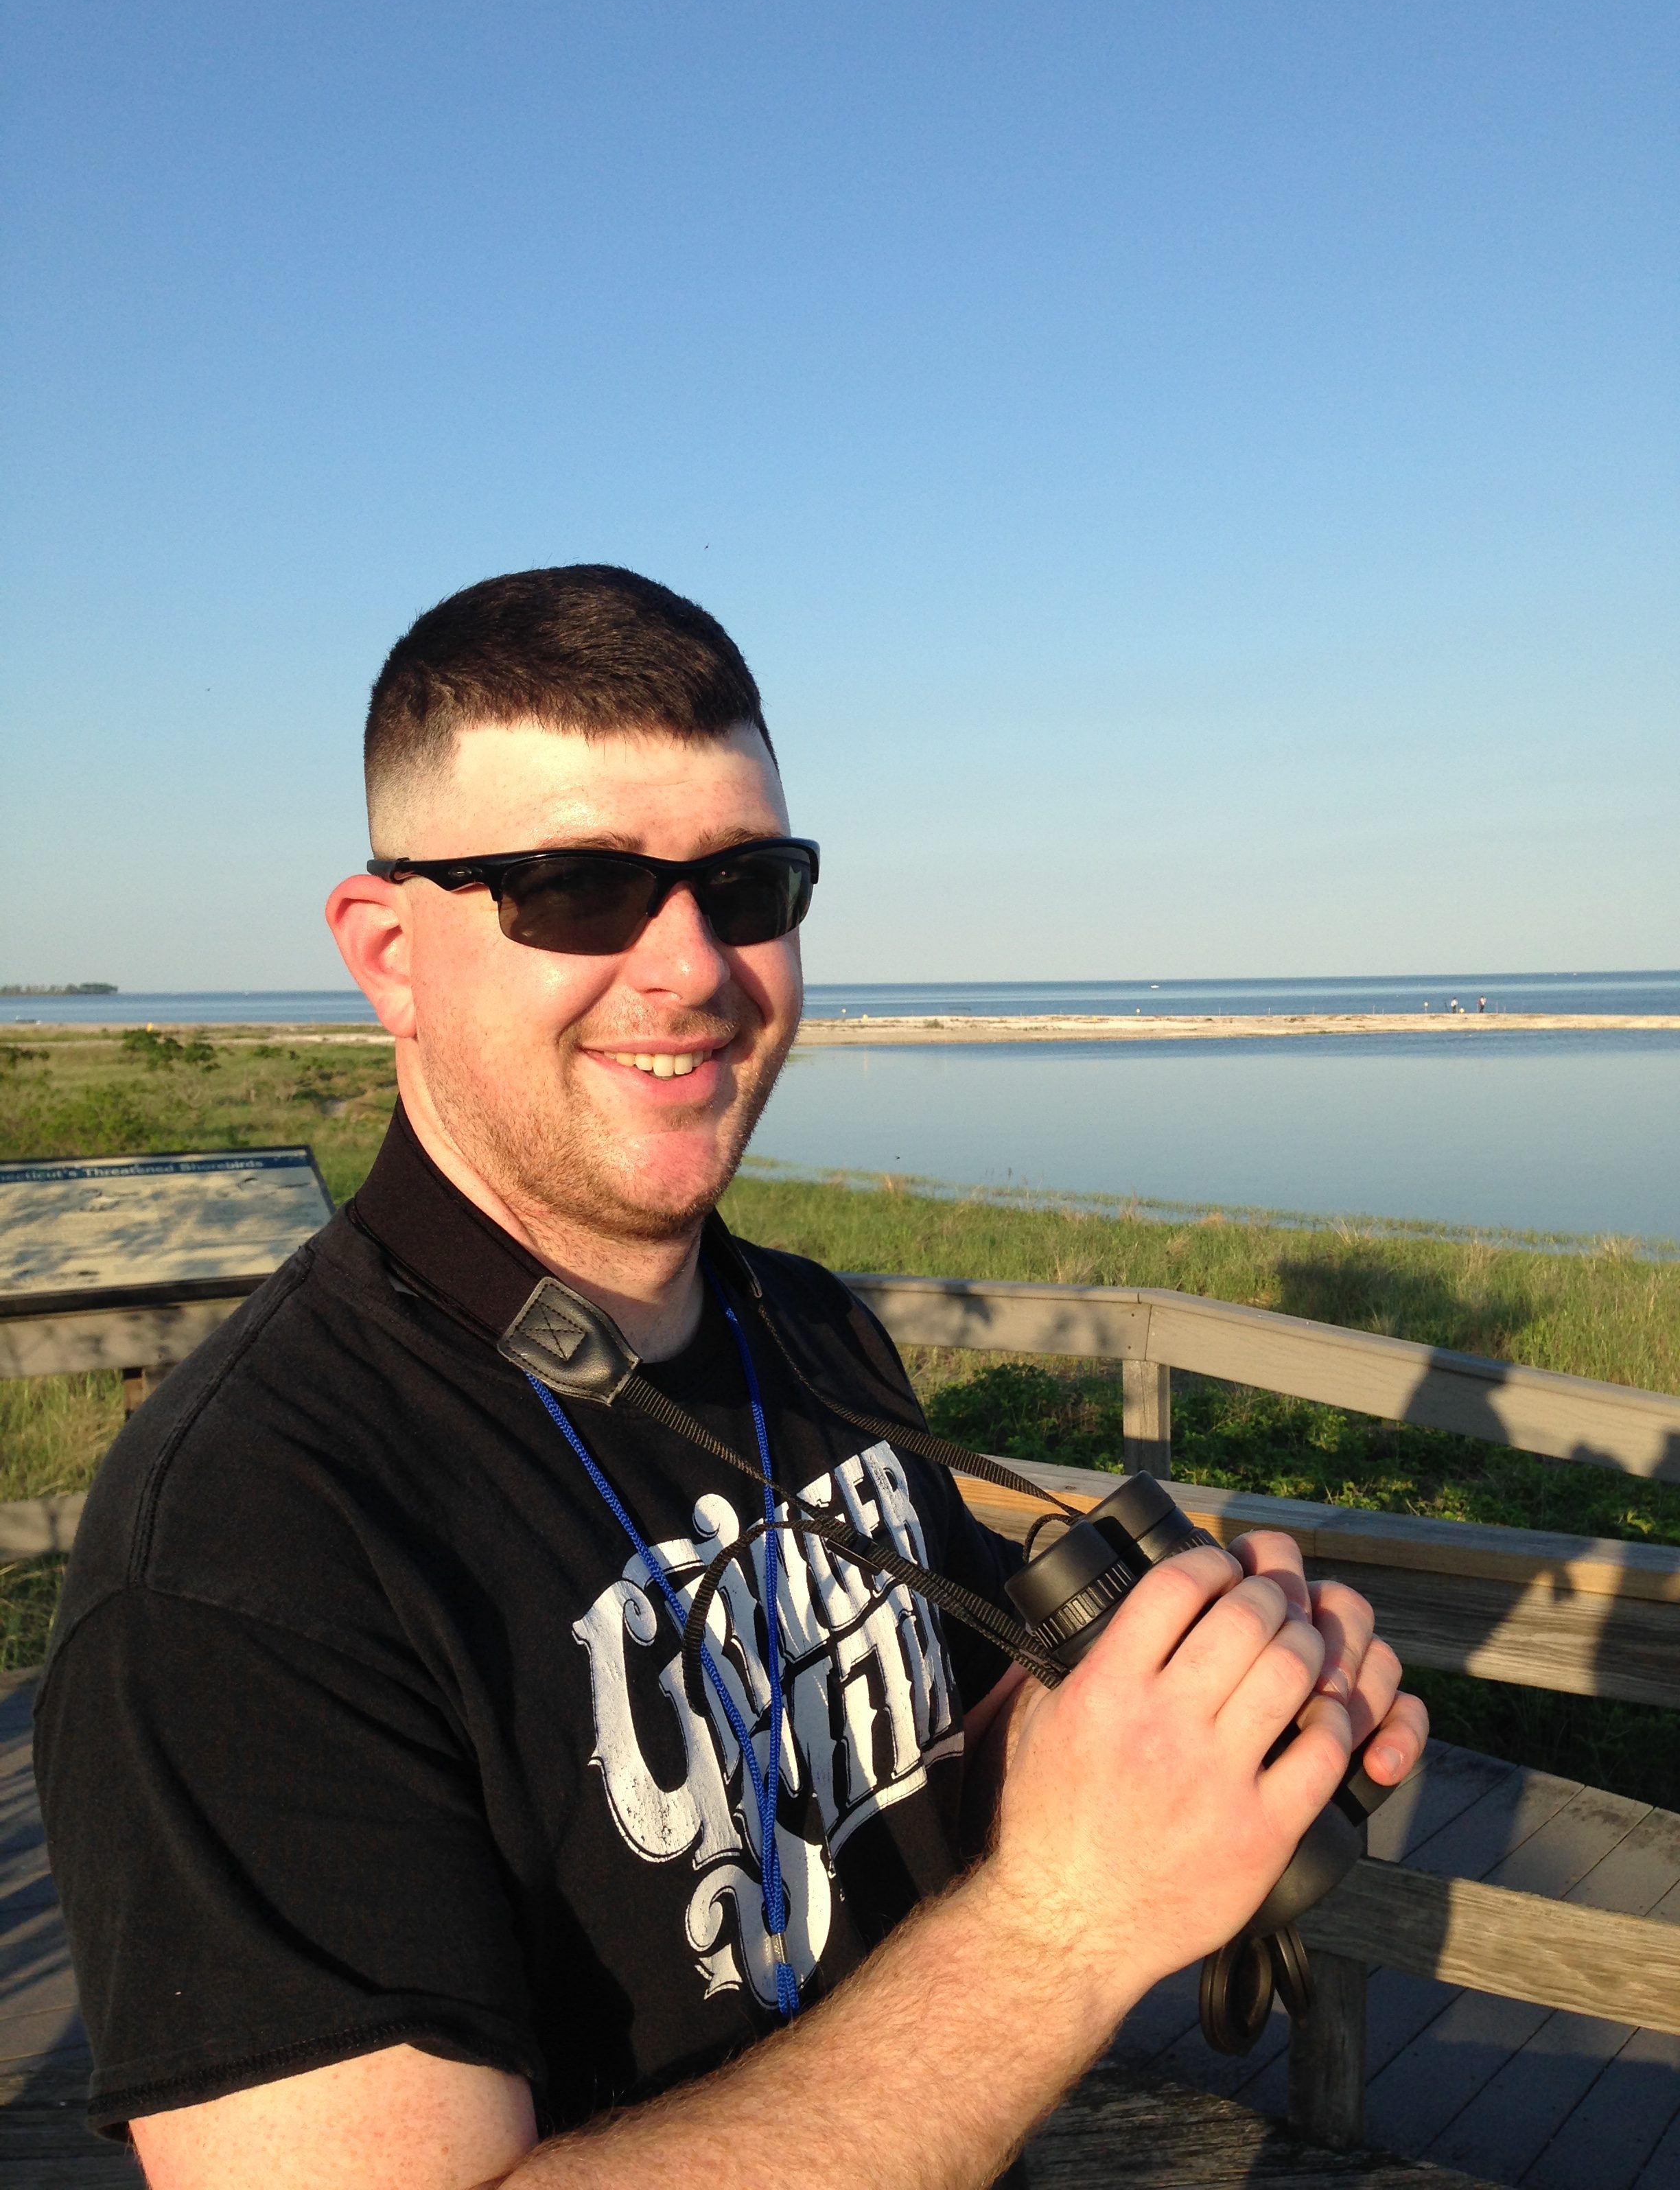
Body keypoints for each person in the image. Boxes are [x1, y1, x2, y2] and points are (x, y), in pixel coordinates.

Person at [36, 567, 1426, 2190]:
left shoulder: (812, 1332)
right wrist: (1068, 1925)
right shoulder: (243, 1547)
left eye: (748, 883)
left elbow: (912, 1799)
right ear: (389, 951)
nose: (691, 966)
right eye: (577, 888)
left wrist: (1163, 1737)